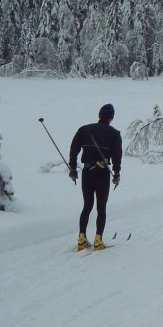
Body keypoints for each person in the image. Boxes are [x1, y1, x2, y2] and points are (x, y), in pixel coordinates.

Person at [68, 103, 122, 251]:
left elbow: (74, 149)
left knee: (87, 206)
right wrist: (116, 173)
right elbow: (117, 156)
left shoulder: (85, 129)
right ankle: (98, 240)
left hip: (87, 172)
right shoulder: (115, 134)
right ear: (111, 117)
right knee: (101, 208)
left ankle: (82, 238)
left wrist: (73, 168)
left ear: (99, 115)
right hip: (102, 173)